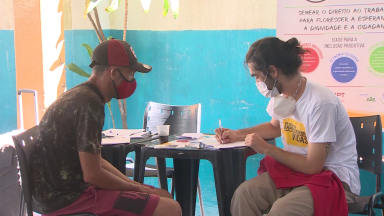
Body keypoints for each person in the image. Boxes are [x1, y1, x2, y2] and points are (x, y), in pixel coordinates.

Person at [29, 39, 181, 216]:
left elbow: (95, 161)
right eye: (130, 74)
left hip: (55, 195)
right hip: (66, 200)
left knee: (163, 196)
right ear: (114, 73)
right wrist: (135, 188)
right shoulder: (89, 103)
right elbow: (93, 175)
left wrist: (136, 186)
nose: (132, 80)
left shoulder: (81, 95)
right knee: (171, 208)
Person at [215, 37, 360, 216]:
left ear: (273, 71)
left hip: (332, 178)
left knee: (282, 210)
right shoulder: (281, 95)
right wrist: (237, 134)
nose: (258, 82)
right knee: (244, 195)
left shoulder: (320, 103)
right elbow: (275, 127)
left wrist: (266, 148)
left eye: (258, 76)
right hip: (297, 172)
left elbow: (313, 166)